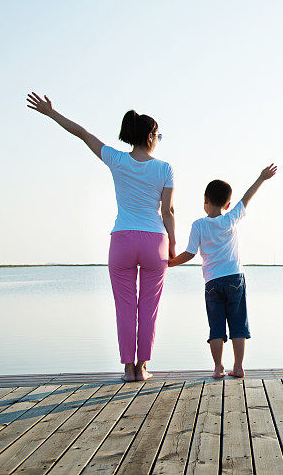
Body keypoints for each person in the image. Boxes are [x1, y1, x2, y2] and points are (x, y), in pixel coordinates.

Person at [26, 93, 177, 382]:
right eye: (158, 134)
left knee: (124, 306)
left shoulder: (117, 159)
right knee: (148, 307)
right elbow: (168, 210)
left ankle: (128, 369)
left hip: (121, 240)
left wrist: (51, 113)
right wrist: (171, 243)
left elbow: (83, 134)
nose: (159, 138)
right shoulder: (164, 168)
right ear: (149, 137)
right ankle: (143, 367)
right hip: (154, 241)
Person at [169, 164, 277, 379]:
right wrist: (261, 177)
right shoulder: (230, 218)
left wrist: (168, 263)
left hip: (212, 283)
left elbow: (190, 253)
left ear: (205, 202)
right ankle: (238, 367)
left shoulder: (198, 225)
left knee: (216, 326)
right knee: (238, 324)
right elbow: (247, 197)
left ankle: (218, 367)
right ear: (228, 204)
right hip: (235, 278)